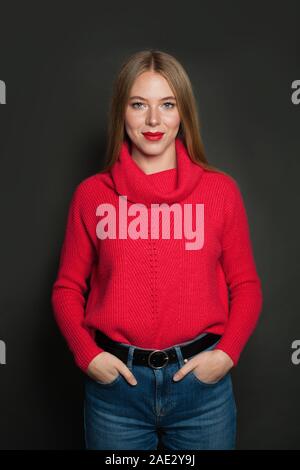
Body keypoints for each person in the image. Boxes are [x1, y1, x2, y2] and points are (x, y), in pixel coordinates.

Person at [51, 49, 263, 450]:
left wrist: (227, 354)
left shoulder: (220, 192)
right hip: (116, 393)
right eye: (138, 105)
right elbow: (66, 288)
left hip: (202, 390)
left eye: (167, 104)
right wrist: (88, 356)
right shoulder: (91, 195)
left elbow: (246, 285)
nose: (153, 120)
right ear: (121, 112)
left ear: (183, 113)